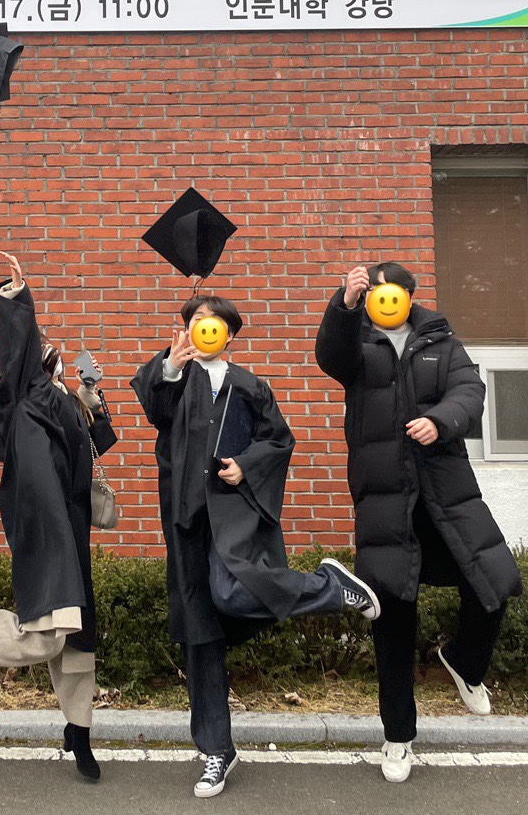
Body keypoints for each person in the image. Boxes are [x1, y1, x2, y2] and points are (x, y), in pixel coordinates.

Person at [132, 293, 380, 799]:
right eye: (196, 321)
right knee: (201, 635)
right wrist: (171, 367)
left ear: (229, 333)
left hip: (235, 516)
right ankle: (216, 751)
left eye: (213, 322)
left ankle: (328, 587)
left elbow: (279, 441)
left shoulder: (249, 385)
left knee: (231, 594)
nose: (204, 328)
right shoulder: (170, 375)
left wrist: (247, 465)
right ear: (185, 330)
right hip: (186, 521)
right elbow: (156, 411)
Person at [315, 262, 522, 784]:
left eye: (394, 291)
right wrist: (343, 305)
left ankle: (464, 662)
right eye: (375, 291)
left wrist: (439, 420)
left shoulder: (441, 341)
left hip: (445, 492)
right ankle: (397, 737)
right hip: (385, 498)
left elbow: (470, 393)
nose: (386, 298)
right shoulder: (357, 342)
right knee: (393, 618)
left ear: (410, 295)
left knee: (494, 581)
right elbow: (330, 358)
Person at [0, 251, 113, 781]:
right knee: (50, 632)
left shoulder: (62, 399)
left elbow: (100, 443)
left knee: (78, 639)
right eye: (44, 351)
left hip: (71, 527)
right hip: (44, 526)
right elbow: (17, 349)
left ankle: (79, 734)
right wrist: (16, 296)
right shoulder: (23, 398)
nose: (51, 354)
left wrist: (91, 396)